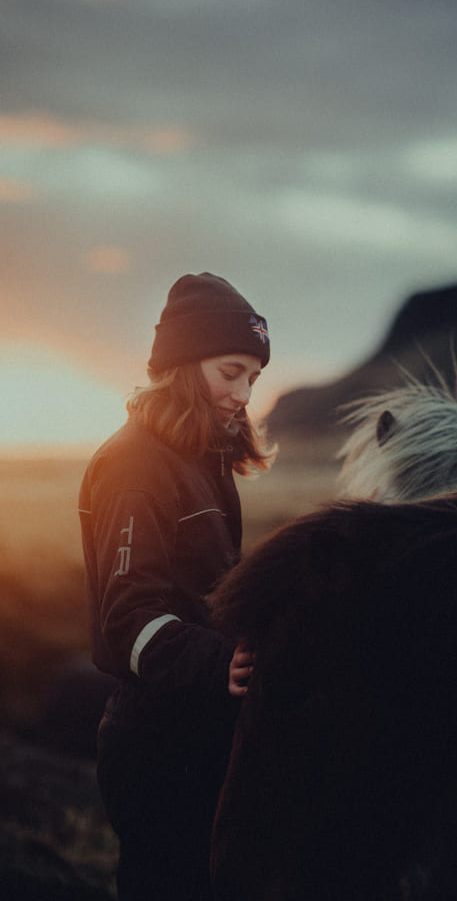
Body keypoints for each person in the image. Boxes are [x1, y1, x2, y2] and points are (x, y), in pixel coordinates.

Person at [78, 272, 274, 900]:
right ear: (184, 364)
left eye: (253, 378)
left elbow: (204, 593)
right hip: (156, 741)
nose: (244, 394)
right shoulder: (135, 463)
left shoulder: (200, 458)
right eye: (231, 371)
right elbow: (128, 619)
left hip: (201, 725)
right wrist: (223, 661)